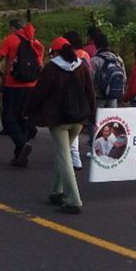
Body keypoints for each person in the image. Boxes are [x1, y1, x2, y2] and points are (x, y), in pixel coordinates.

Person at [24, 37, 95, 214]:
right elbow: (90, 93)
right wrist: (91, 116)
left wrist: (28, 112)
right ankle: (56, 191)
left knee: (64, 158)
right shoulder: (82, 67)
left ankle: (73, 200)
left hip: (58, 121)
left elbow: (38, 94)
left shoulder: (51, 69)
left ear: (55, 52)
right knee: (62, 153)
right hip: (78, 120)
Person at [0, 19, 45, 168]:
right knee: (23, 120)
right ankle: (20, 157)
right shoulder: (36, 43)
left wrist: (1, 74)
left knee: (8, 120)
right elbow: (40, 66)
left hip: (13, 86)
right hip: (32, 87)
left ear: (13, 28)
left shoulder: (11, 39)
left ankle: (22, 144)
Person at [63, 30, 92, 170]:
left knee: (69, 128)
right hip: (83, 95)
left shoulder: (71, 56)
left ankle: (74, 159)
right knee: (75, 127)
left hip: (72, 96)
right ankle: (73, 158)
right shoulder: (85, 54)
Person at [90, 33, 126, 109]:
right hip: (113, 98)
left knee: (99, 120)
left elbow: (91, 80)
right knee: (112, 119)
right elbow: (124, 78)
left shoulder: (95, 60)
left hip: (99, 98)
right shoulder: (118, 58)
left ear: (96, 45)